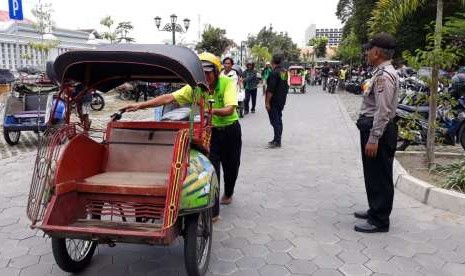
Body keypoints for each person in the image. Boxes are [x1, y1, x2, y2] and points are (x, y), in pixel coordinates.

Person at [123, 52, 242, 220]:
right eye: (202, 73)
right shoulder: (194, 87)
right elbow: (168, 98)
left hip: (230, 130)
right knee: (212, 166)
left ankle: (229, 192)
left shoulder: (227, 82)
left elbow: (230, 109)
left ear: (216, 72)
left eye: (208, 72)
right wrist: (140, 105)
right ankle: (213, 213)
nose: (205, 76)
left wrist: (208, 110)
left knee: (232, 167)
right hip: (210, 132)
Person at [355, 32, 399, 233]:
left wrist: (374, 138)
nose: (366, 53)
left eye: (369, 50)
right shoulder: (381, 72)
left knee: (379, 174)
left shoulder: (384, 76)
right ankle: (375, 210)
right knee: (373, 173)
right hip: (375, 129)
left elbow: (383, 111)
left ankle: (380, 219)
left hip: (378, 131)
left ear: (377, 52)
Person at [265, 54, 289, 148]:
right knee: (278, 119)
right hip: (281, 100)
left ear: (272, 61)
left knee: (275, 121)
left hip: (274, 101)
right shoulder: (284, 72)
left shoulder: (274, 73)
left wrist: (267, 102)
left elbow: (271, 89)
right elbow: (286, 86)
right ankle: (276, 138)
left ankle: (277, 141)